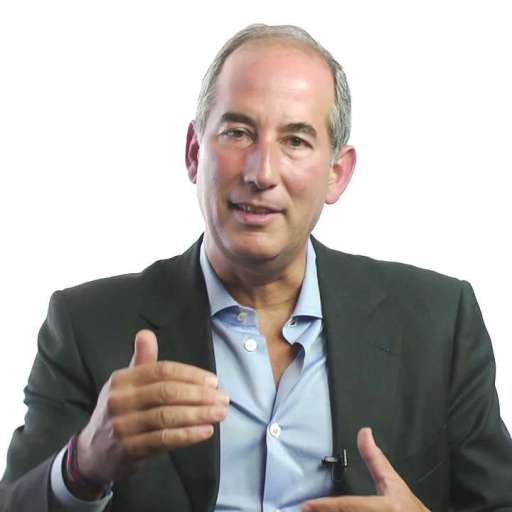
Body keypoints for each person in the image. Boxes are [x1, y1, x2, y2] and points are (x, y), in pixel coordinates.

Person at [1, 22, 511, 512]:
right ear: (194, 152)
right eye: (238, 132)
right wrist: (83, 466)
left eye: (295, 141)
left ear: (337, 174)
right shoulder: (86, 326)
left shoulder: (440, 322)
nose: (261, 172)